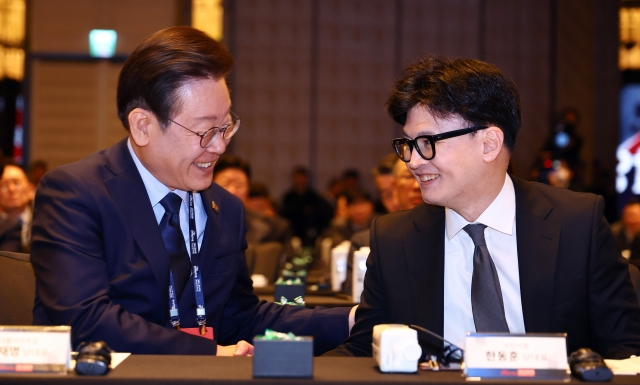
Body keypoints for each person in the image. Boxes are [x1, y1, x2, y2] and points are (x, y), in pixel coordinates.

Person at [31, 26, 353, 356]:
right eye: (205, 131)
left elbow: (240, 318)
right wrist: (210, 355)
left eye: (226, 126)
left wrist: (352, 321)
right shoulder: (76, 195)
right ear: (143, 126)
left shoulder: (225, 208)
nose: (220, 146)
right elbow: (85, 319)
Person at [328, 55, 640, 359]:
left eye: (428, 143)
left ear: (489, 143)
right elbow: (363, 350)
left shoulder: (576, 224)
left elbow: (626, 349)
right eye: (408, 145)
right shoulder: (394, 239)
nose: (413, 161)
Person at [0, 162, 34, 252]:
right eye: (4, 186)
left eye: (17, 184)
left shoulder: (44, 223)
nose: (11, 189)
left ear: (30, 190)